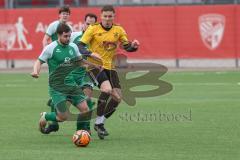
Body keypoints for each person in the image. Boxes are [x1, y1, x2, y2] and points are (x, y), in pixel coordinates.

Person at [78, 5, 140, 139]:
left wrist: (133, 46)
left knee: (118, 98)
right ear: (101, 16)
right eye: (105, 16)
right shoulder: (93, 28)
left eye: (110, 16)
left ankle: (99, 123)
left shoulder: (118, 30)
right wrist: (91, 53)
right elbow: (80, 45)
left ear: (113, 16)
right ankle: (98, 122)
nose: (107, 19)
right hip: (94, 66)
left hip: (110, 67)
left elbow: (126, 46)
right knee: (106, 90)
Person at [31, 23, 100, 134]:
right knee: (63, 117)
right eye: (65, 36)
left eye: (69, 36)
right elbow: (39, 61)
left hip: (71, 84)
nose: (68, 38)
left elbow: (80, 62)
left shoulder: (73, 47)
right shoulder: (51, 48)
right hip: (57, 87)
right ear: (59, 35)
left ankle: (81, 132)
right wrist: (35, 71)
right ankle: (46, 115)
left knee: (85, 109)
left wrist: (94, 66)